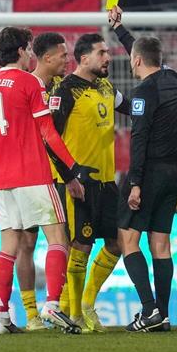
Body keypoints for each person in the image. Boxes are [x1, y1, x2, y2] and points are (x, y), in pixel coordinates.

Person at [0, 27, 90, 334]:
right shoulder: (29, 81)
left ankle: (2, 317)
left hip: (2, 179)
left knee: (8, 247)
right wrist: (72, 166)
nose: (31, 54)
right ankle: (53, 306)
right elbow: (47, 131)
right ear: (19, 51)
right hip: (32, 173)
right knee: (58, 239)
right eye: (28, 49)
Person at [108, 6, 177, 332]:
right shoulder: (172, 78)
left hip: (149, 173)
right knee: (161, 244)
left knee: (128, 239)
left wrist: (135, 182)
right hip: (173, 173)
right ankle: (163, 315)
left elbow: (139, 139)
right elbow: (146, 54)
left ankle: (150, 310)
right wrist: (120, 30)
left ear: (137, 61)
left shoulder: (143, 93)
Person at [51, 33, 129, 333]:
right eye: (102, 52)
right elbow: (51, 138)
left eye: (107, 52)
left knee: (116, 244)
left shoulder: (107, 87)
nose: (107, 57)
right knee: (80, 245)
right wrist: (69, 177)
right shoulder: (65, 90)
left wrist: (167, 95)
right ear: (84, 58)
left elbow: (132, 107)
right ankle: (72, 315)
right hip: (78, 183)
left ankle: (86, 304)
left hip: (107, 181)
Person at [17, 31, 72, 331]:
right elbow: (46, 136)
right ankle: (38, 311)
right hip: (40, 175)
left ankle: (45, 312)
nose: (68, 60)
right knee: (37, 241)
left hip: (43, 175)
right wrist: (71, 172)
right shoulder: (29, 87)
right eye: (63, 55)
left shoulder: (60, 87)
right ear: (47, 57)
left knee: (39, 242)